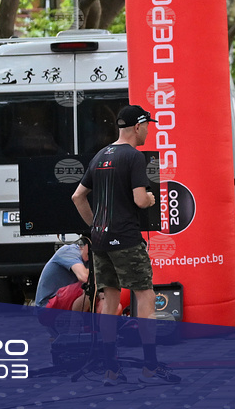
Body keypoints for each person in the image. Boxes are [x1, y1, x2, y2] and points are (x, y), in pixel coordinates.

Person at [71, 105, 180, 384]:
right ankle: (150, 366)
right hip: (126, 239)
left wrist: (95, 225)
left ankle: (112, 369)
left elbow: (77, 196)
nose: (149, 131)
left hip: (100, 240)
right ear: (138, 126)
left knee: (109, 299)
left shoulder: (100, 155)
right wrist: (151, 199)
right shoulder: (133, 156)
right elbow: (140, 200)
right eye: (148, 126)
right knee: (145, 296)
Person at [34, 239, 90, 309]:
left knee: (101, 294)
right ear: (84, 245)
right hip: (46, 305)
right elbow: (84, 277)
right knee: (89, 286)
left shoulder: (89, 258)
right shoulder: (69, 251)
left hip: (62, 304)